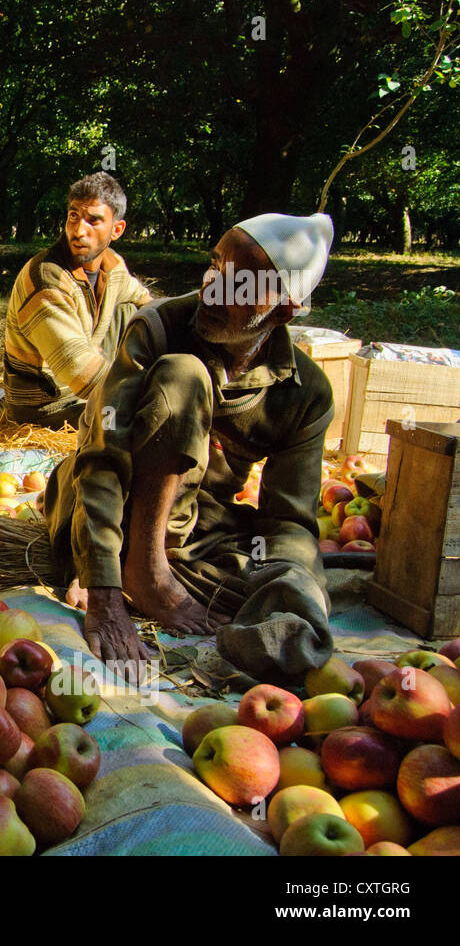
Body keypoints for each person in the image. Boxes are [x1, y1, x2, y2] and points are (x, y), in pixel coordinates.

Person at [44, 212, 337, 684]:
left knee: (290, 582)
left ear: (284, 310)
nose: (213, 289)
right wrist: (103, 587)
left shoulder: (307, 394)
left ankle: (164, 569)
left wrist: (295, 589)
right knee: (184, 374)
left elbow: (287, 520)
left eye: (242, 284)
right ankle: (141, 568)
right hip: (113, 502)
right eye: (215, 265)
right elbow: (102, 458)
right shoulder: (158, 328)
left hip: (194, 524)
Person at [3, 173, 152, 428]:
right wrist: (152, 396)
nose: (79, 231)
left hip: (83, 393)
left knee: (135, 312)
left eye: (93, 220)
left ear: (116, 230)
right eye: (74, 216)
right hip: (46, 407)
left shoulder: (112, 265)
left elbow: (145, 301)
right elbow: (83, 376)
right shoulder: (46, 277)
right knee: (141, 425)